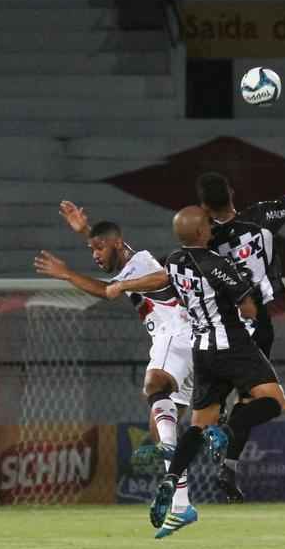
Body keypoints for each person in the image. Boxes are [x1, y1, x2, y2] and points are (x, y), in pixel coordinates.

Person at [108, 206, 285, 538]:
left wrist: (124, 285)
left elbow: (163, 280)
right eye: (208, 224)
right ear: (204, 233)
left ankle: (175, 491)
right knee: (275, 401)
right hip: (231, 345)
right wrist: (248, 288)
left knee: (195, 425)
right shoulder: (218, 267)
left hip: (200, 350)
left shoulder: (175, 260)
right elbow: (247, 307)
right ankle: (226, 431)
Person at [197, 155, 285, 502]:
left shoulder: (202, 240)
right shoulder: (260, 217)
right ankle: (223, 440)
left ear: (202, 206)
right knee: (266, 402)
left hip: (213, 328)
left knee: (226, 406)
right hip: (253, 324)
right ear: (231, 192)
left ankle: (225, 470)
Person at [34, 200, 194, 474]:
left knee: (153, 385)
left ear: (117, 244)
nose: (95, 255)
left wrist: (67, 274)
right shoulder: (130, 260)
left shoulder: (140, 263)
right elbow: (112, 254)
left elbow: (158, 278)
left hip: (175, 336)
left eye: (99, 248)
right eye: (91, 249)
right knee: (161, 431)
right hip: (183, 344)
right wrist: (86, 231)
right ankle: (178, 494)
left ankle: (207, 437)